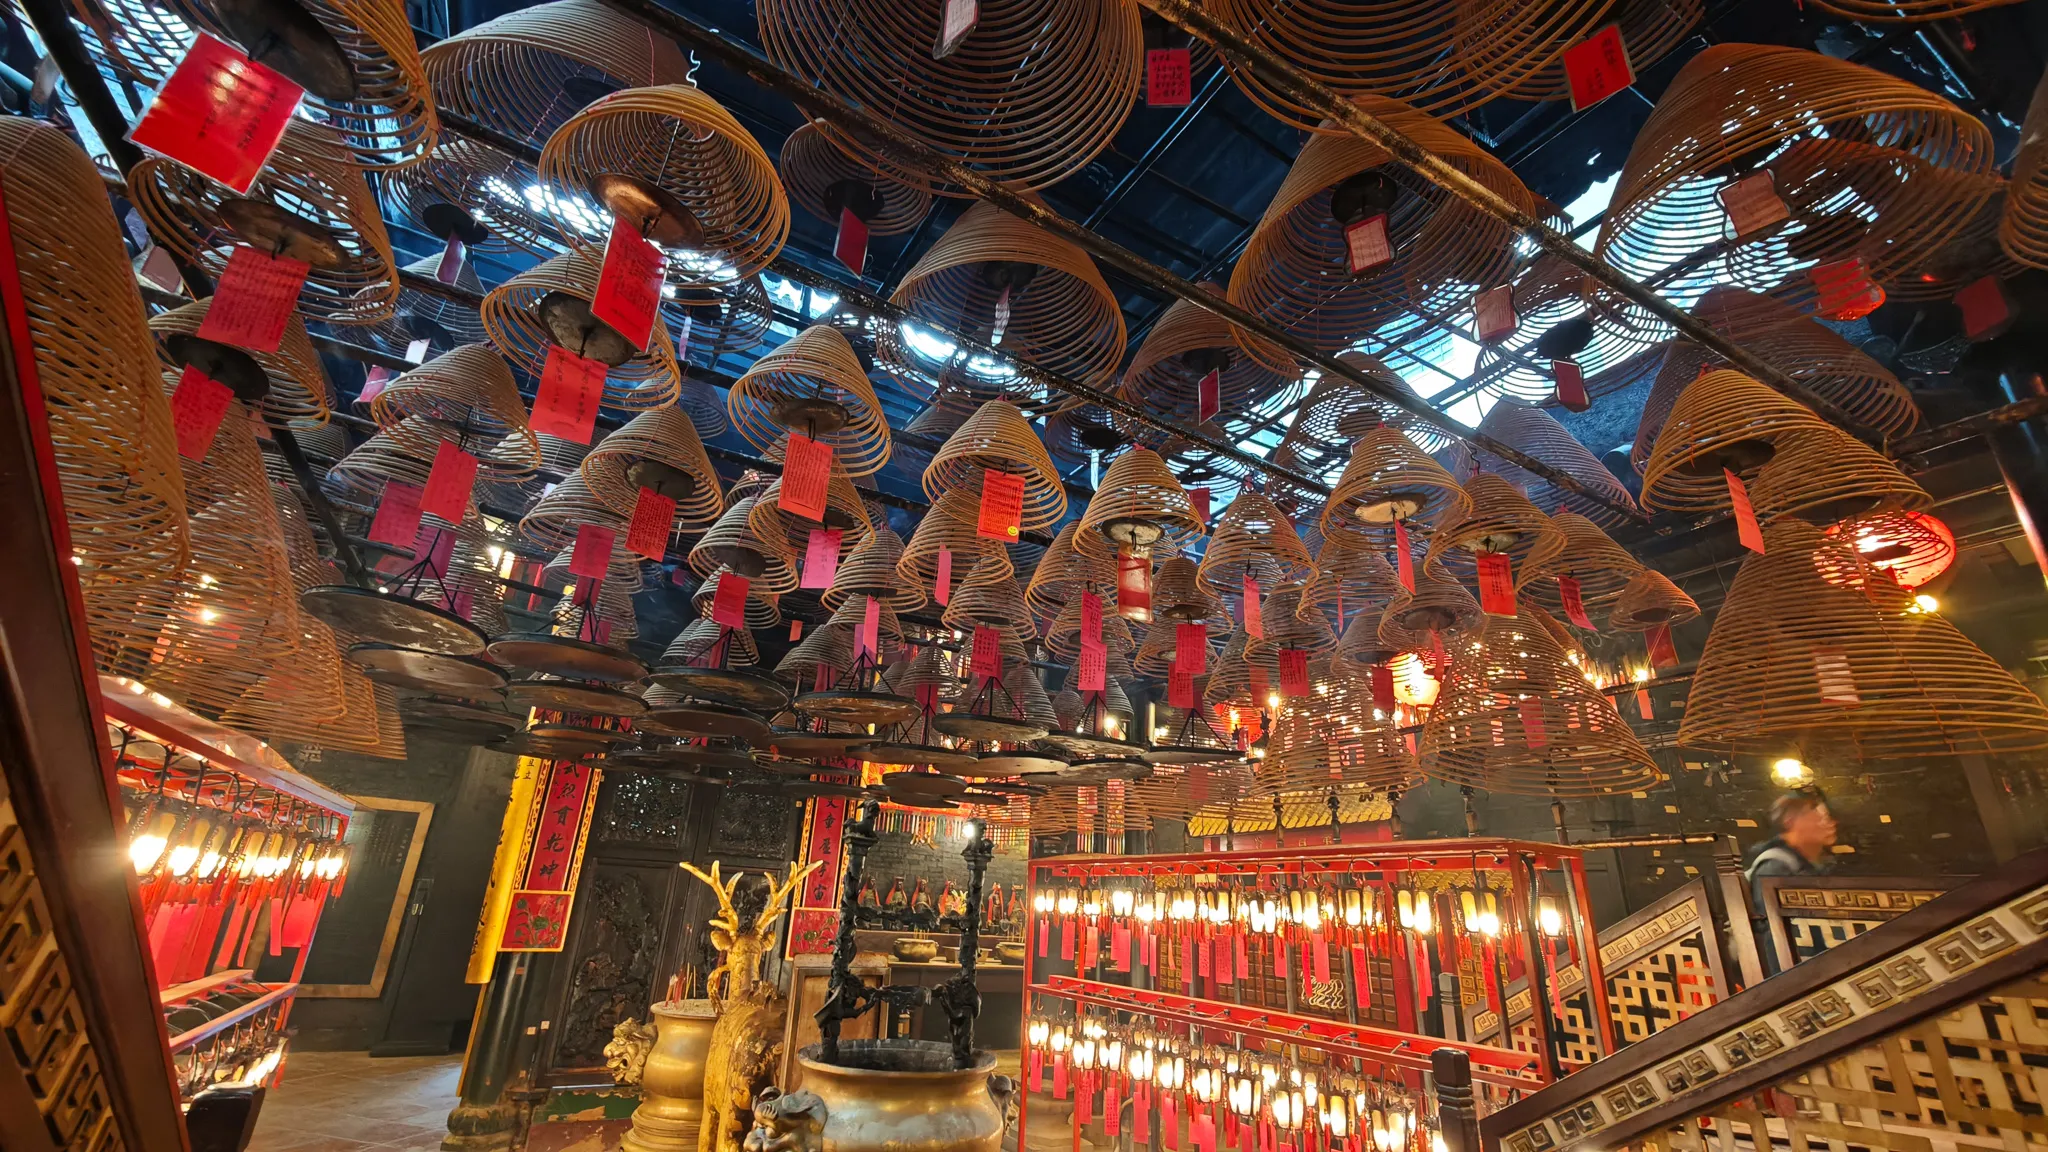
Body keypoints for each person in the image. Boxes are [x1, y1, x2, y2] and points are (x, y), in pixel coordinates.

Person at [1744, 790, 1838, 976]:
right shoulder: (1775, 867)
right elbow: (1773, 935)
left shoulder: (1810, 867)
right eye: (1819, 816)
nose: (1830, 824)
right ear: (1790, 821)